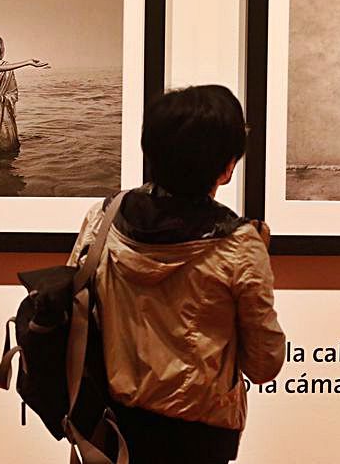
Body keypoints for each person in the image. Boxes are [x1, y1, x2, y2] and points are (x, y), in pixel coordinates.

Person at [68, 85, 285, 464]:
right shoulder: (238, 245)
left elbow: (76, 314)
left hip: (107, 424)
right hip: (197, 437)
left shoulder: (104, 216)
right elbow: (264, 364)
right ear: (227, 166)